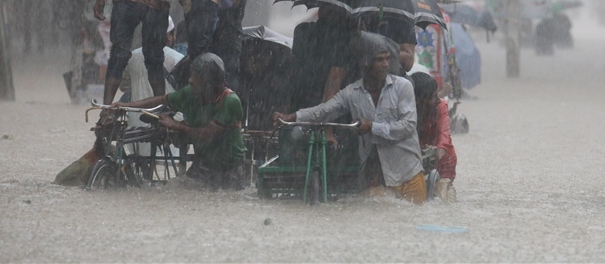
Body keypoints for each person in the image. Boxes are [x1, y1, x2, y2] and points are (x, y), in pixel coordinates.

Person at [273, 37, 426, 204]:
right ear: (366, 63)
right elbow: (324, 111)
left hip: (408, 173)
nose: (385, 65)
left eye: (388, 59)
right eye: (379, 60)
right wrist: (291, 117)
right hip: (374, 173)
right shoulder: (352, 92)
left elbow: (408, 125)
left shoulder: (403, 87)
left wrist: (372, 127)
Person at [113, 53, 246, 190]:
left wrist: (176, 125)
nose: (190, 80)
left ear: (208, 82)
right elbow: (160, 100)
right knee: (174, 191)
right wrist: (127, 106)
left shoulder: (229, 101)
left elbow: (208, 135)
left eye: (196, 76)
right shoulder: (190, 93)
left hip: (229, 168)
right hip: (203, 164)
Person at [412, 72, 458, 203]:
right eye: (433, 96)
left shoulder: (441, 106)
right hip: (417, 161)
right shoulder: (408, 112)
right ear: (419, 100)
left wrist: (439, 150)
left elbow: (445, 133)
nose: (439, 99)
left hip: (444, 160)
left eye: (438, 94)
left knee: (443, 195)